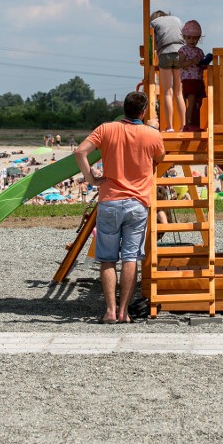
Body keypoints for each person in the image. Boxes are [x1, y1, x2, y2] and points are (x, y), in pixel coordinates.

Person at [74, 91, 165, 324]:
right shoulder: (151, 134)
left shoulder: (106, 128)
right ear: (143, 112)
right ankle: (124, 312)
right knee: (131, 258)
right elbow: (160, 157)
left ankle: (110, 311)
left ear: (123, 109)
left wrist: (91, 178)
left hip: (110, 200)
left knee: (107, 259)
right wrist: (152, 128)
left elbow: (80, 152)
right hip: (137, 202)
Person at [150, 10, 185, 132]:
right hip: (180, 52)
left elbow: (152, 43)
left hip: (165, 53)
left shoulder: (153, 23)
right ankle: (183, 126)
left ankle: (170, 127)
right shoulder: (176, 19)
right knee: (179, 93)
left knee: (167, 92)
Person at [178, 20, 210, 131]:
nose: (192, 40)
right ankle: (188, 123)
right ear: (185, 37)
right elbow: (181, 64)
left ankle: (195, 123)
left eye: (195, 38)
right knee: (191, 102)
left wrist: (203, 64)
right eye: (189, 38)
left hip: (198, 80)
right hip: (188, 80)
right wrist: (192, 61)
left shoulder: (200, 51)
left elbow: (201, 66)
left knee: (198, 103)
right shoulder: (183, 50)